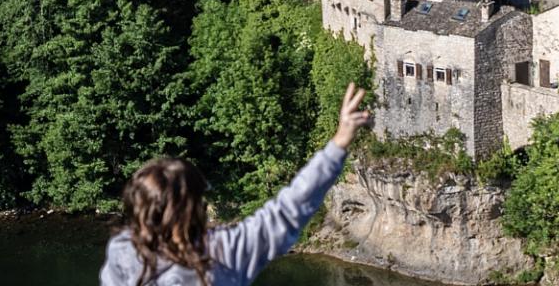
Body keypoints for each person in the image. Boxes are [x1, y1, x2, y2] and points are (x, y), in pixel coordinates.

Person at [99, 83, 372, 286]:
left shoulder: (122, 252)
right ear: (195, 208)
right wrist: (339, 142)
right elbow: (290, 208)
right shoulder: (223, 253)